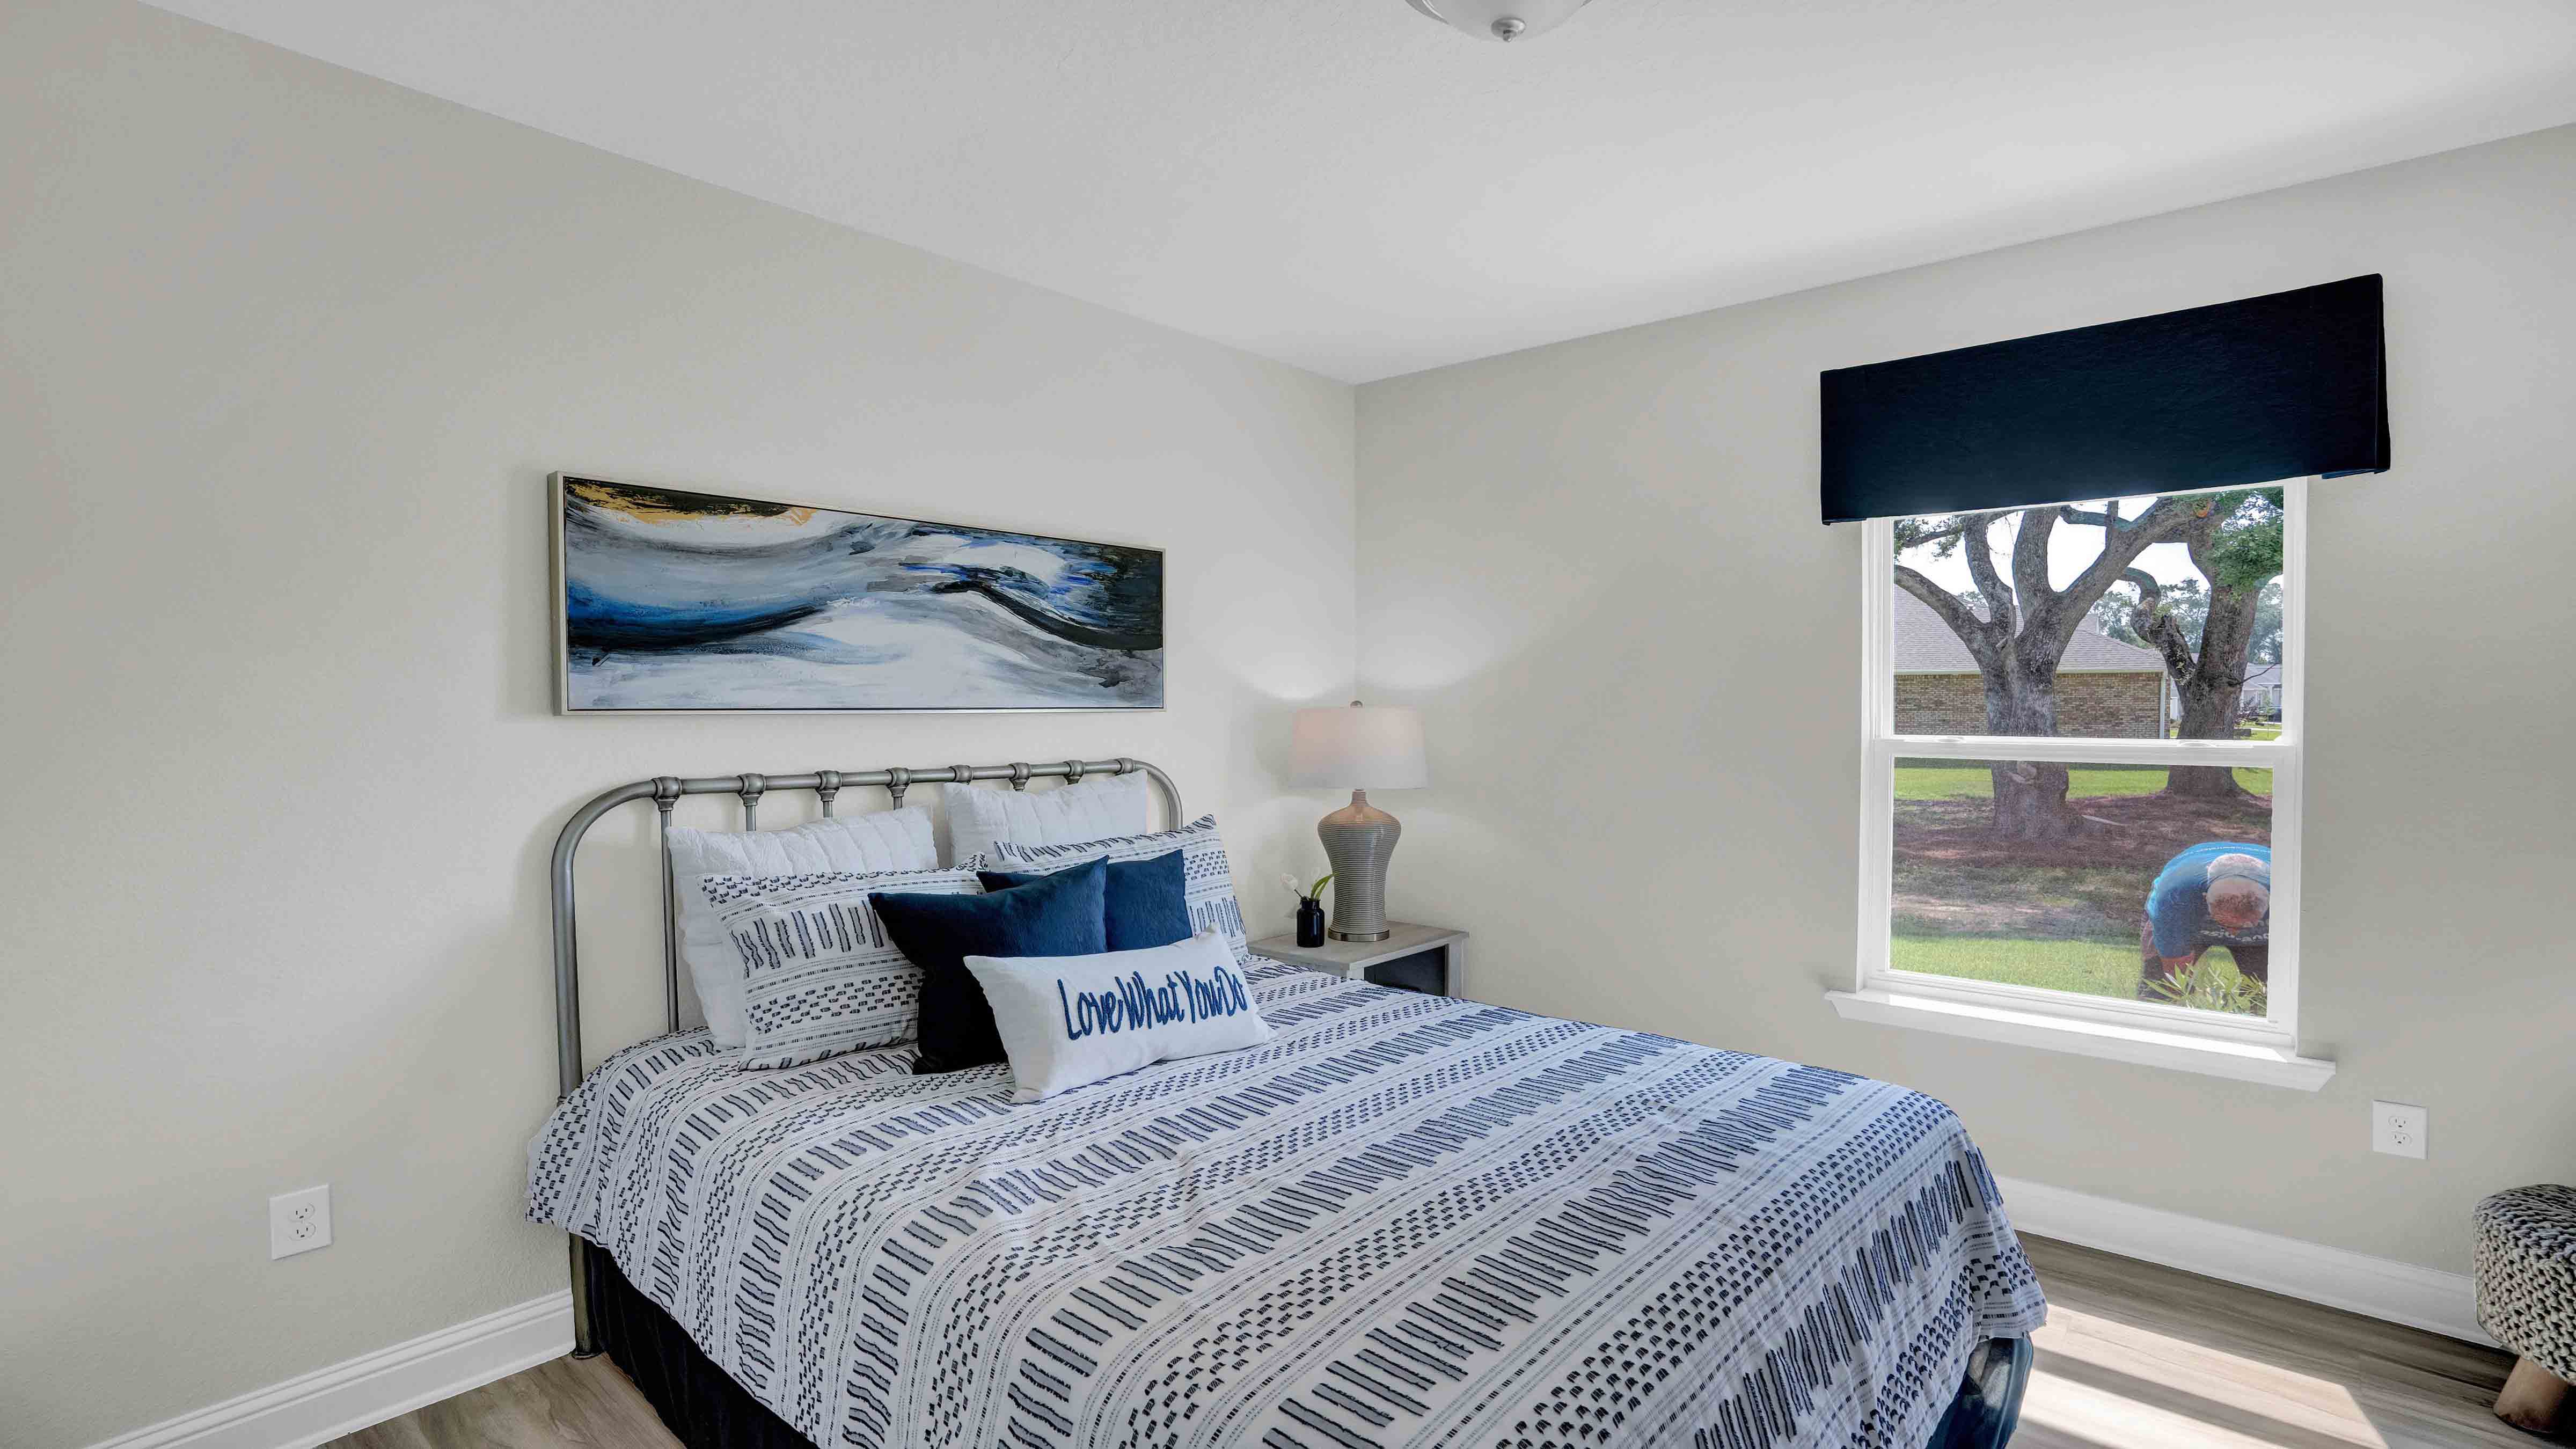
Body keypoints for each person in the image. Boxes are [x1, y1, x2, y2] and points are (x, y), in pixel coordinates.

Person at [2139, 841, 2270, 999]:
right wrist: (2182, 996)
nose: (2233, 934)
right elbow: (2174, 974)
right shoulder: (2175, 897)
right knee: (2161, 989)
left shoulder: (2289, 890)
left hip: (2265, 920)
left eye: (2246, 925)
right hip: (2186, 911)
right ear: (2205, 899)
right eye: (2225, 924)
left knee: (2265, 993)